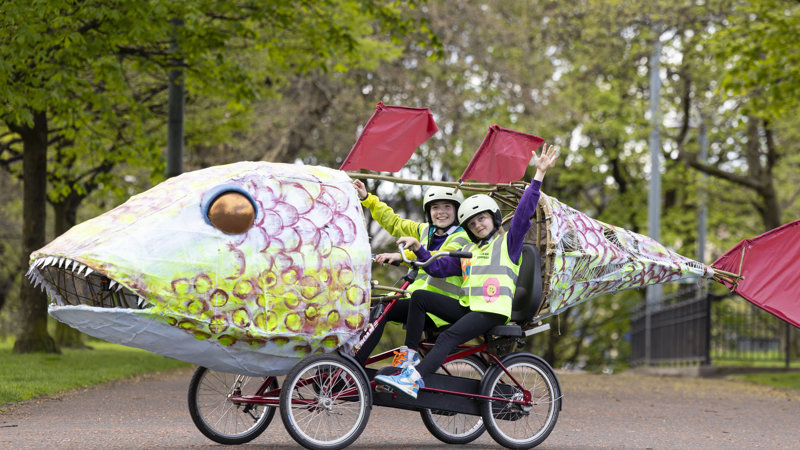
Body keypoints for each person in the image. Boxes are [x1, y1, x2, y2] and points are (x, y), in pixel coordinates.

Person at [374, 144, 558, 398]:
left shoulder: (508, 243)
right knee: (420, 297)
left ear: (494, 218)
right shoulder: (469, 250)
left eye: (482, 218)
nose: (478, 225)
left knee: (448, 337)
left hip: (492, 310)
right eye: (472, 223)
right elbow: (437, 267)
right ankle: (408, 357)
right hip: (470, 306)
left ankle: (413, 380)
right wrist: (418, 248)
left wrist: (538, 175)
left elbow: (523, 214)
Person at [352, 180, 470, 366]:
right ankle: (354, 362)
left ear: (457, 211)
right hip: (416, 300)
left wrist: (406, 253)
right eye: (435, 207)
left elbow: (438, 261)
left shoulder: (462, 237)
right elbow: (395, 223)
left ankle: (408, 359)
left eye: (447, 207)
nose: (441, 212)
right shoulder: (425, 230)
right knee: (379, 306)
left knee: (392, 306)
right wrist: (368, 199)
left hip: (440, 307)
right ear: (428, 211)